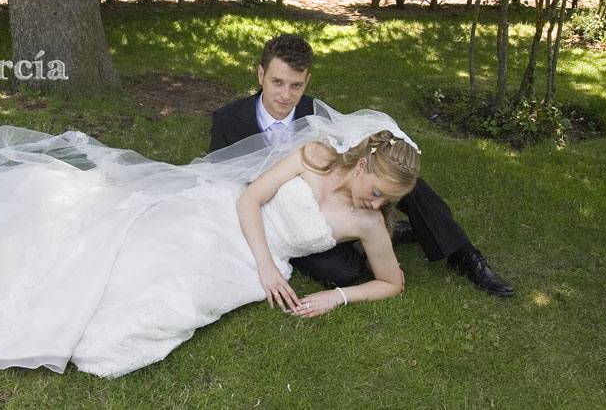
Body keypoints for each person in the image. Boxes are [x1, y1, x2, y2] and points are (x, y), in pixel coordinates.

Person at [0, 101, 419, 378]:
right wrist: (271, 265)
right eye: (376, 190)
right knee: (129, 246)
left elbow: (389, 281)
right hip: (223, 221)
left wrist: (338, 299)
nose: (374, 204)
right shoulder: (313, 159)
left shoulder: (365, 225)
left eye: (386, 203)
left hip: (242, 266)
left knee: (141, 325)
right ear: (361, 163)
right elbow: (248, 198)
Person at [210, 34, 515, 297]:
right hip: (286, 206)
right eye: (277, 82)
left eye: (296, 85)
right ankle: (385, 234)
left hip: (327, 184)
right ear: (261, 74)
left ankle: (462, 253)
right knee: (342, 271)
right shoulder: (227, 120)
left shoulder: (313, 110)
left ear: (307, 81)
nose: (286, 95)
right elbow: (225, 176)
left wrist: (371, 162)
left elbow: (343, 146)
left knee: (401, 177)